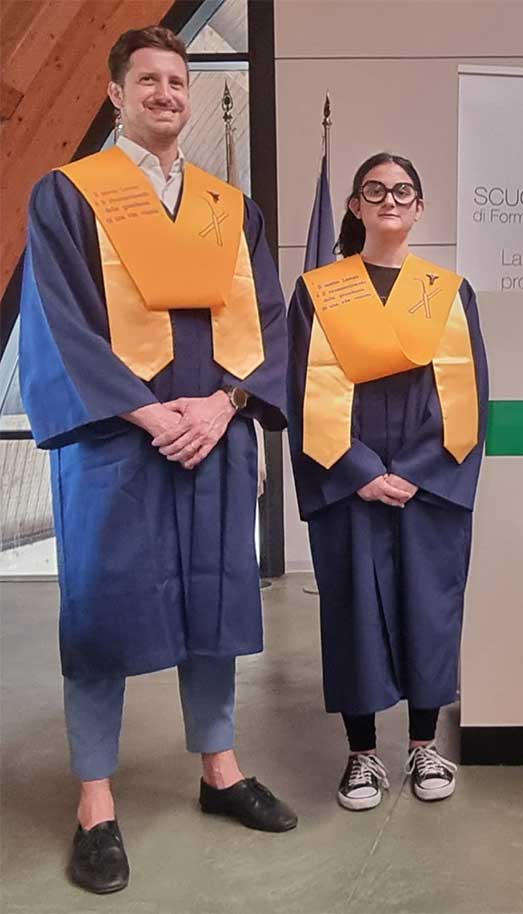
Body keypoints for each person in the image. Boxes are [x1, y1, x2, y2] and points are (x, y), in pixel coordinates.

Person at [18, 26, 296, 895]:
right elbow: (59, 321)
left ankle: (219, 770)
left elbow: (268, 321)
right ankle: (95, 803)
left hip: (212, 433)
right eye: (148, 81)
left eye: (177, 80)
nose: (166, 94)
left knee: (215, 598)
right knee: (100, 612)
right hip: (115, 438)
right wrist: (144, 411)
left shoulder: (228, 208)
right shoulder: (69, 195)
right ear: (115, 94)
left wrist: (223, 405)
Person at [287, 153, 488, 811]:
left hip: (429, 485)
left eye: (403, 190)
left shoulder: (448, 292)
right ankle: (362, 754)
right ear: (355, 205)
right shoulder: (320, 291)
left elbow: (467, 397)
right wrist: (360, 474)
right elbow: (303, 390)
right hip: (349, 482)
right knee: (354, 609)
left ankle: (424, 745)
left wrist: (416, 474)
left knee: (429, 607)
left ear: (420, 207)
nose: (389, 199)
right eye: (374, 189)